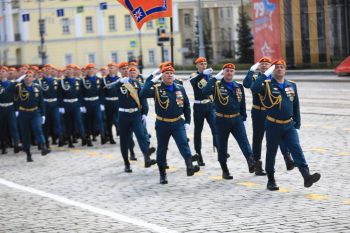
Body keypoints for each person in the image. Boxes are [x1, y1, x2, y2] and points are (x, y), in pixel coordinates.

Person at [251, 59, 321, 190]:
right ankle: (271, 180)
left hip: (289, 125)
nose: (279, 69)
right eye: (276, 67)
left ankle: (306, 176)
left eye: (281, 67)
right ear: (273, 70)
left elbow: (296, 106)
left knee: (296, 149)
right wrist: (265, 74)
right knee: (271, 153)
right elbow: (254, 88)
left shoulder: (291, 85)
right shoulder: (266, 84)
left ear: (285, 69)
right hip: (273, 124)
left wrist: (297, 124)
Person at [140, 65, 200, 184]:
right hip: (163, 123)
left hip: (178, 122)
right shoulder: (157, 88)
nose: (169, 75)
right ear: (162, 76)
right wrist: (151, 79)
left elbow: (187, 106)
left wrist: (187, 121)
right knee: (162, 149)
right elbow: (143, 94)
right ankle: (162, 174)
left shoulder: (180, 88)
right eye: (166, 73)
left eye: (171, 73)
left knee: (183, 143)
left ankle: (189, 167)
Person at [202, 63, 256, 180]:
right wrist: (214, 79)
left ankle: (251, 162)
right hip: (221, 120)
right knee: (222, 146)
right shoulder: (216, 85)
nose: (229, 73)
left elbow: (242, 103)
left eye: (231, 71)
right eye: (227, 71)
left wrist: (244, 118)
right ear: (223, 72)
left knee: (244, 142)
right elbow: (204, 92)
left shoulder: (238, 86)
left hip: (236, 119)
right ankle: (225, 169)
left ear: (234, 73)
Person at [243, 57, 294, 176]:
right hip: (258, 112)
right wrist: (251, 71)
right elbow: (246, 84)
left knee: (280, 135)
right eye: (262, 64)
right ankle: (257, 164)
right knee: (258, 138)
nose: (264, 66)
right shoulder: (256, 78)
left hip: (272, 112)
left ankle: (287, 158)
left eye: (267, 64)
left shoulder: (275, 78)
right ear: (259, 66)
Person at [113, 65, 156, 172]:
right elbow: (112, 90)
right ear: (120, 71)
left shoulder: (136, 83)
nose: (126, 71)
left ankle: (147, 158)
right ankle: (126, 163)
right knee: (124, 140)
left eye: (127, 69)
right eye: (123, 69)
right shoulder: (118, 83)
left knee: (141, 135)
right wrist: (120, 82)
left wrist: (144, 113)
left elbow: (142, 98)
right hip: (123, 115)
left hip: (136, 114)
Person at [15, 70, 50, 162]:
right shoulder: (19, 87)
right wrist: (16, 110)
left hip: (35, 112)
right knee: (25, 134)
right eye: (26, 76)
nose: (28, 77)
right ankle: (28, 154)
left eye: (30, 76)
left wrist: (43, 115)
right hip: (23, 113)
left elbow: (41, 102)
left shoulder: (37, 87)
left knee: (37, 128)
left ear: (33, 78)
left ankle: (43, 147)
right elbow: (14, 98)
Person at [189, 57, 218, 166]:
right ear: (196, 65)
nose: (204, 65)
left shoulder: (210, 76)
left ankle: (219, 149)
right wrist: (202, 74)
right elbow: (193, 81)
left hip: (210, 105)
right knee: (198, 131)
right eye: (201, 64)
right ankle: (198, 154)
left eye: (205, 63)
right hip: (199, 106)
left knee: (215, 128)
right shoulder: (194, 75)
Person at [59, 64, 86, 148]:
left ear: (74, 71)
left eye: (70, 69)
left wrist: (82, 105)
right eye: (67, 69)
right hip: (66, 104)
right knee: (68, 123)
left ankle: (83, 138)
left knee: (79, 121)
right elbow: (60, 95)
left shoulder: (78, 81)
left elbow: (81, 94)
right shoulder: (62, 81)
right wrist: (61, 106)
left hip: (76, 103)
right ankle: (70, 140)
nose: (69, 71)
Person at [81, 63, 106, 146]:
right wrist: (82, 105)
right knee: (88, 122)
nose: (91, 70)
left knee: (99, 119)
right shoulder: (83, 80)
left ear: (95, 70)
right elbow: (81, 94)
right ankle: (88, 138)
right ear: (86, 70)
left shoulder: (99, 80)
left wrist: (102, 103)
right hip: (87, 103)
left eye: (92, 68)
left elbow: (102, 92)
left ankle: (103, 136)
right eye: (89, 69)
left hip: (96, 102)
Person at [0, 66, 21, 154]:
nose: (1, 73)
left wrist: (16, 109)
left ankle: (16, 145)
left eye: (3, 71)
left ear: (7, 73)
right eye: (0, 72)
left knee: (13, 127)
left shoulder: (12, 84)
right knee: (2, 128)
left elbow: (16, 97)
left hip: (10, 108)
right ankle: (3, 146)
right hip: (1, 108)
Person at [102, 62, 120, 144]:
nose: (110, 69)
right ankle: (110, 137)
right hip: (108, 102)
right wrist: (102, 104)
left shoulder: (119, 79)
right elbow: (102, 93)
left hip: (117, 102)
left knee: (119, 120)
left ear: (116, 69)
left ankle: (121, 133)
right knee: (109, 121)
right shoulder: (104, 80)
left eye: (112, 67)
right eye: (109, 68)